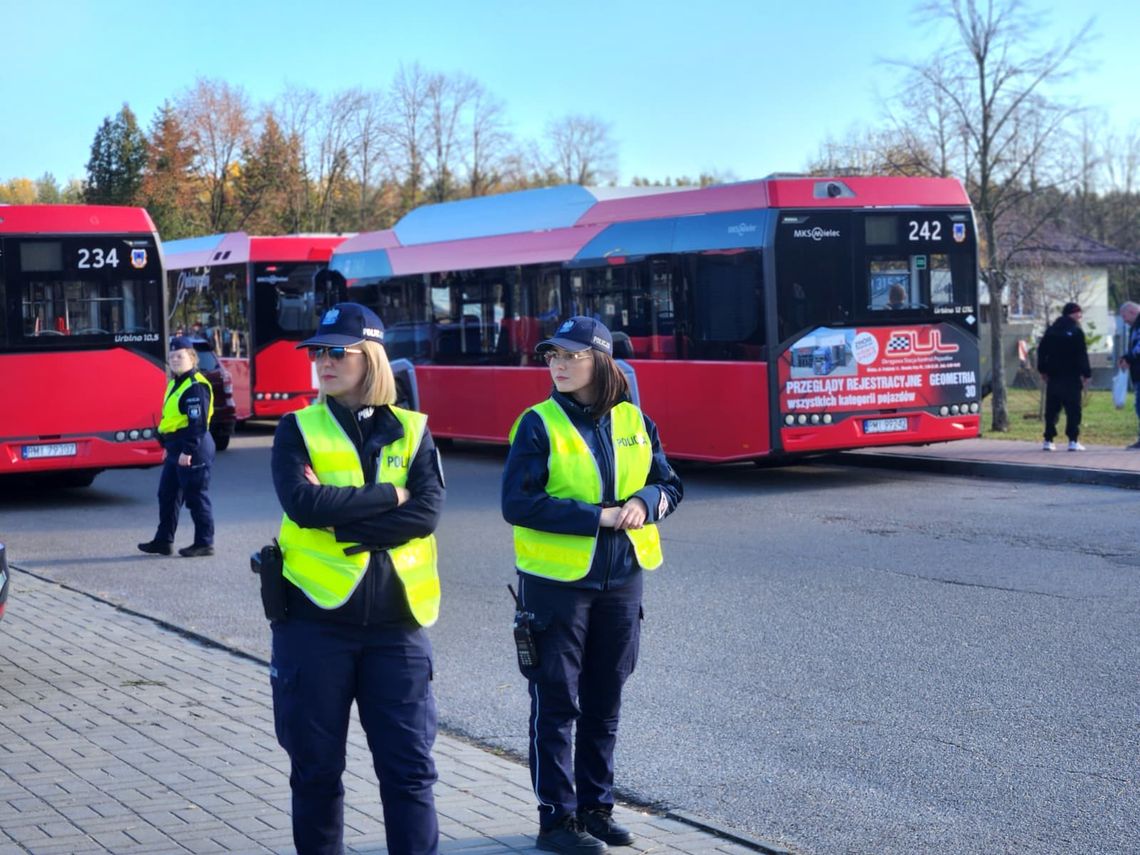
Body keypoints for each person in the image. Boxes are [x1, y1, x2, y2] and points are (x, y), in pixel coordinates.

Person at [501, 317, 683, 854]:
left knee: (605, 700)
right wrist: (597, 517)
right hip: (555, 585)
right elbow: (518, 503)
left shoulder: (634, 420)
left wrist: (644, 504)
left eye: (570, 356)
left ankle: (596, 809)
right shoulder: (537, 424)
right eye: (552, 356)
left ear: (600, 361)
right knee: (556, 703)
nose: (558, 365)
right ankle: (557, 821)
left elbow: (669, 482)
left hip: (623, 580)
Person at [269, 302, 445, 855]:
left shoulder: (413, 430)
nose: (323, 361)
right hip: (314, 625)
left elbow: (428, 512)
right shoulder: (296, 427)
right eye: (318, 352)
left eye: (336, 352)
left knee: (410, 772)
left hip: (398, 628)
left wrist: (352, 520)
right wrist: (388, 496)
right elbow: (303, 504)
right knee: (316, 771)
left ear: (368, 358)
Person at [138, 336, 216, 557]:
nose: (174, 360)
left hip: (193, 447)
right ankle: (164, 541)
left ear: (192, 357)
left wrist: (187, 450)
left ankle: (204, 542)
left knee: (195, 496)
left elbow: (197, 424)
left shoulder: (196, 386)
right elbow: (171, 419)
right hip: (176, 447)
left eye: (180, 356)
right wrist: (166, 445)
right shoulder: (175, 383)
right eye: (171, 356)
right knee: (167, 495)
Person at [1036, 302, 1091, 452]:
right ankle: (1073, 441)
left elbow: (1042, 351)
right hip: (1071, 377)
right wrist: (1086, 373)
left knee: (1052, 409)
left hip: (1054, 376)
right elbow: (1081, 354)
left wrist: (1042, 370)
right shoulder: (1076, 331)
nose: (1080, 316)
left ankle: (1048, 440)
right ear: (1072, 314)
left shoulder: (1052, 330)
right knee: (1073, 409)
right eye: (1078, 313)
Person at [1117, 301, 1140, 449]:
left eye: (1124, 316)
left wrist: (1129, 358)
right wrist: (1126, 357)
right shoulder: (1135, 326)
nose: (1124, 320)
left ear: (1132, 312)